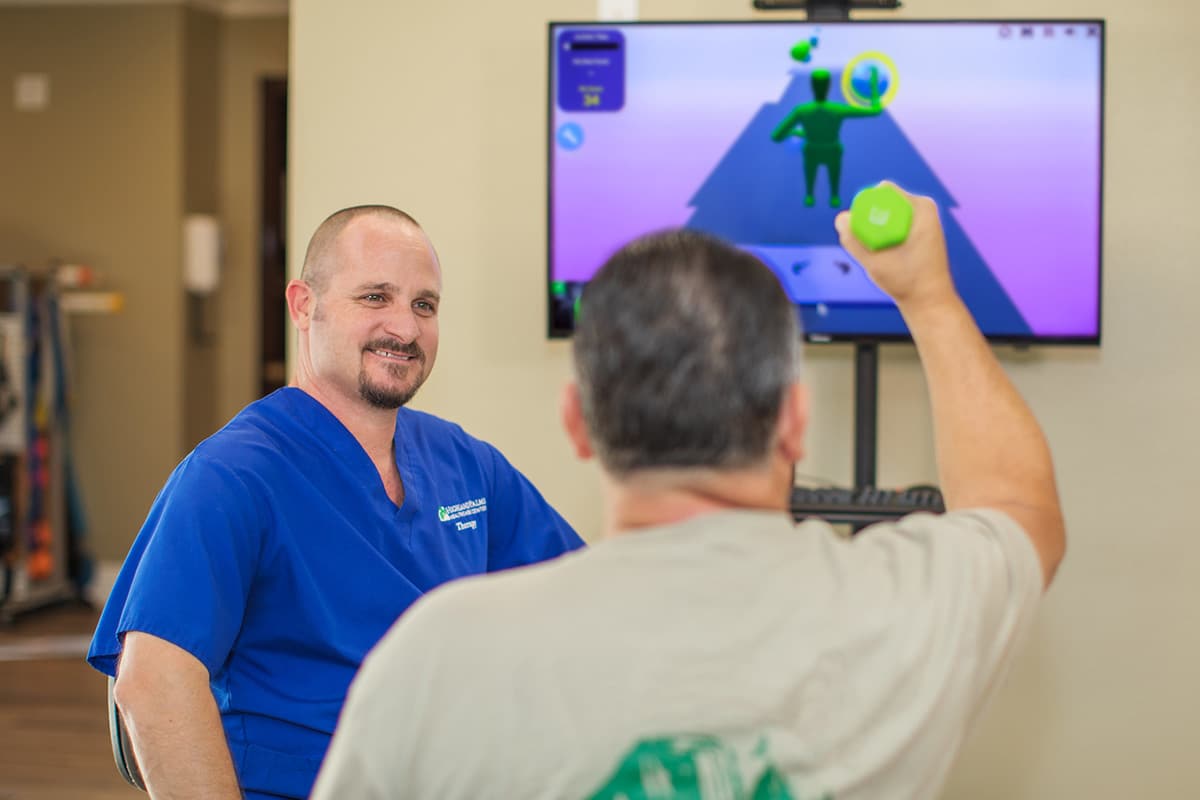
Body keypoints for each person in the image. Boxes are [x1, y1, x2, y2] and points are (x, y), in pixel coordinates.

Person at [312, 184, 1066, 800]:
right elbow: (1019, 507)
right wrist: (929, 297)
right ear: (796, 423)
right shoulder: (903, 607)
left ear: (578, 423)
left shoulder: (437, 655)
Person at [87, 205, 583, 800]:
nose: (405, 328)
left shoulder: (463, 462)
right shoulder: (235, 476)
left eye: (424, 305)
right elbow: (154, 681)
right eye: (376, 297)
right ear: (303, 305)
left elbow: (581, 590)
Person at [771, 67, 884, 208]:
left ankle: (809, 196)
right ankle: (834, 197)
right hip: (832, 150)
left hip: (812, 149)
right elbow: (875, 110)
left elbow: (776, 136)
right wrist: (873, 85)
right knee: (834, 173)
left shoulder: (801, 110)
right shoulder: (837, 109)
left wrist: (796, 132)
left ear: (812, 86)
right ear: (829, 86)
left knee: (810, 172)